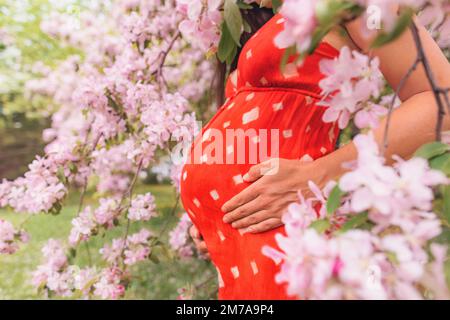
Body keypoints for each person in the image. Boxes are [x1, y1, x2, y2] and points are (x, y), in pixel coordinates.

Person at [180, 1, 450, 299]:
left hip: (291, 233)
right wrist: (213, 214)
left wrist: (320, 175)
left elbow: (441, 102)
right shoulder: (284, 17)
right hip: (242, 240)